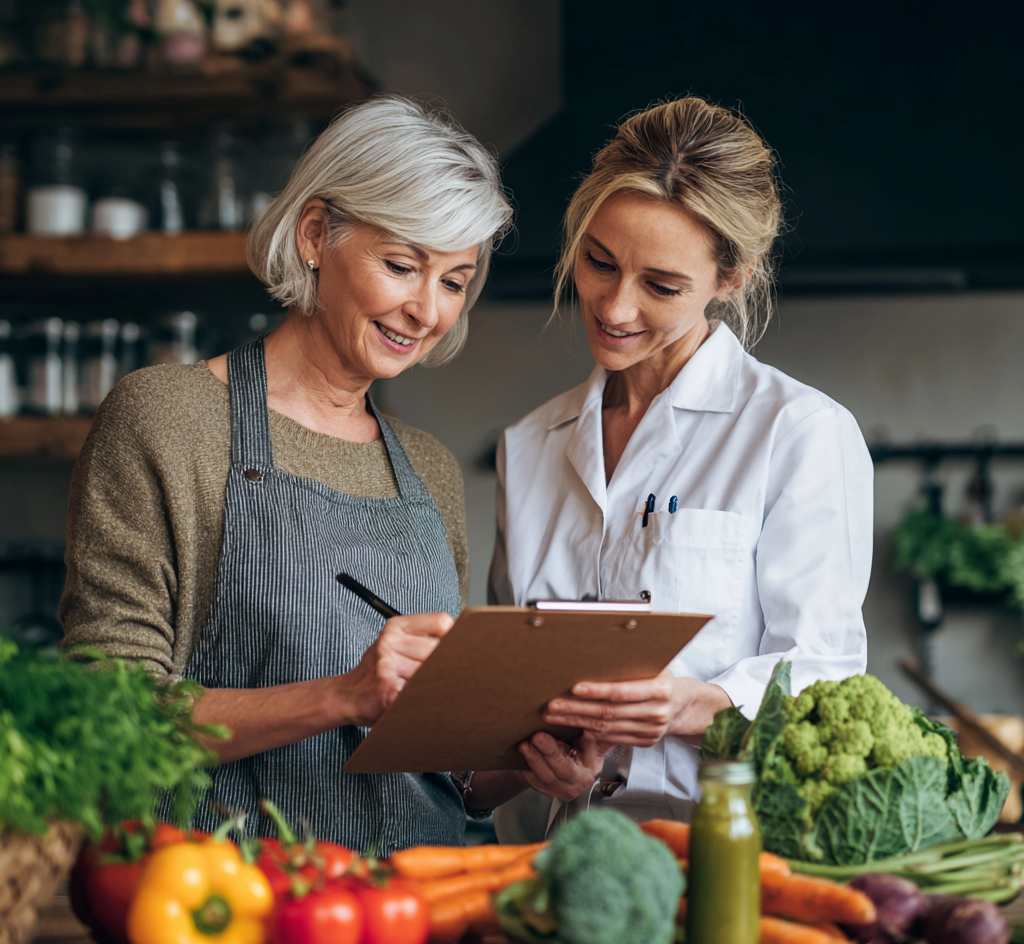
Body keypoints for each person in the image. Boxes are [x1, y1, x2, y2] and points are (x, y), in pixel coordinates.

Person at [59, 96, 530, 855]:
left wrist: (529, 762)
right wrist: (343, 696)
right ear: (315, 234)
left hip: (415, 902)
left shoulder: (430, 470)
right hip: (228, 893)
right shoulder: (169, 419)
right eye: (402, 266)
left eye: (454, 281)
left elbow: (448, 772)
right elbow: (110, 717)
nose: (426, 311)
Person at [484, 97, 874, 841]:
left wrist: (689, 705)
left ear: (732, 278)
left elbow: (824, 677)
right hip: (550, 864)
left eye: (661, 286)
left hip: (723, 860)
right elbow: (516, 685)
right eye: (599, 262)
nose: (614, 307)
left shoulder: (798, 433)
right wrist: (547, 759)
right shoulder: (530, 443)